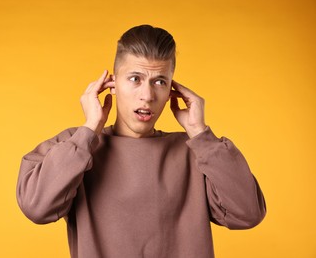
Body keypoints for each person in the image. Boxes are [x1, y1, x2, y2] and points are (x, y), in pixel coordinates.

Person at [16, 24, 266, 258]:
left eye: (159, 82)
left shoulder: (195, 152)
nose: (147, 95)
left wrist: (201, 134)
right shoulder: (75, 147)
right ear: (112, 84)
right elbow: (37, 208)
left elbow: (247, 214)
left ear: (171, 91)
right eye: (135, 78)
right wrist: (90, 129)